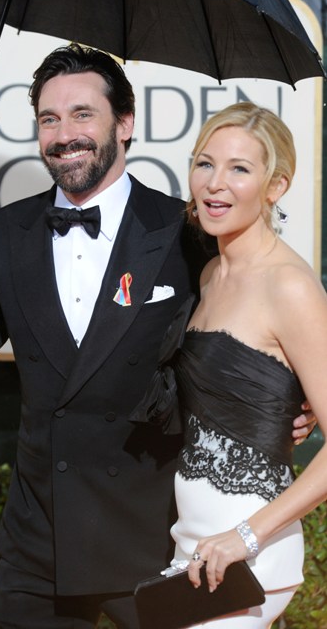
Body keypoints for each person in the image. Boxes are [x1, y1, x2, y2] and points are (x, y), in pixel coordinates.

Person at [0, 46, 315, 629]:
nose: (63, 135)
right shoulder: (8, 231)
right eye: (49, 119)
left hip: (155, 540)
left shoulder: (186, 231)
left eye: (82, 114)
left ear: (124, 123)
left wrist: (288, 404)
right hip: (38, 544)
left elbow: (243, 340)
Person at [157, 102, 327, 628]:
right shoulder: (210, 274)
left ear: (276, 186)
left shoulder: (290, 286)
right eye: (205, 163)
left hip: (249, 555)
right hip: (195, 546)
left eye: (239, 169)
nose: (215, 184)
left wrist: (244, 537)